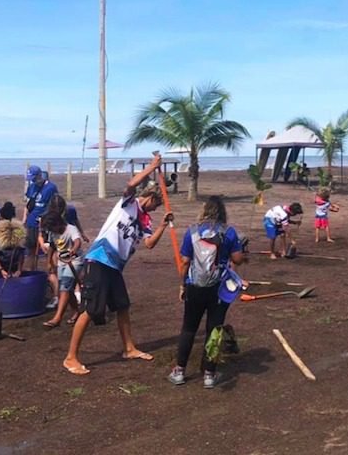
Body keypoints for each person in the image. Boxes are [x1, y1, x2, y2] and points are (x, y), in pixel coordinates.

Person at [63, 153, 173, 375]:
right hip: (99, 259)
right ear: (149, 197)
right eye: (156, 204)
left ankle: (129, 348)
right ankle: (71, 357)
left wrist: (162, 225)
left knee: (122, 306)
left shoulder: (146, 220)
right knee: (91, 309)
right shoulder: (128, 203)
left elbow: (150, 243)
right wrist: (152, 167)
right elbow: (131, 184)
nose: (155, 208)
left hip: (115, 267)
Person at [168, 195, 245, 389]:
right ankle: (209, 374)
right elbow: (237, 259)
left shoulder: (192, 231)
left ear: (204, 210)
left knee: (188, 328)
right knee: (214, 330)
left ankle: (179, 371)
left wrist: (182, 285)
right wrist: (241, 251)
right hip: (218, 289)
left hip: (195, 286)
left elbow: (185, 262)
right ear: (222, 212)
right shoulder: (229, 232)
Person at [40, 195, 84, 328]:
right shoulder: (54, 232)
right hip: (61, 262)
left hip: (75, 261)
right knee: (66, 289)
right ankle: (77, 311)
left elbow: (77, 241)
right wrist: (49, 262)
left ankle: (57, 317)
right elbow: (52, 246)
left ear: (58, 223)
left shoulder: (71, 229)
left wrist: (73, 251)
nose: (52, 231)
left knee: (65, 287)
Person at [23, 165, 58, 271]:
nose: (32, 180)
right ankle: (32, 271)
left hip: (45, 224)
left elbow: (55, 206)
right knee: (31, 250)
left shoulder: (51, 187)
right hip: (31, 223)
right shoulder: (32, 187)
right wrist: (24, 219)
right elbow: (28, 205)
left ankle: (53, 272)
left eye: (34, 178)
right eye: (30, 178)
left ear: (39, 175)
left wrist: (46, 218)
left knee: (49, 249)